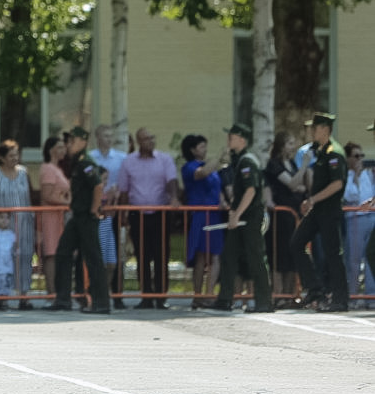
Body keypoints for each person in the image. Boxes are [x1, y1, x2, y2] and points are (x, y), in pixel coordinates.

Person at [116, 128, 180, 309]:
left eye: (152, 137)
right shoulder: (129, 161)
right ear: (139, 141)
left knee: (161, 254)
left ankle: (161, 296)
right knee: (142, 255)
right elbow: (124, 189)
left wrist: (174, 197)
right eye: (146, 139)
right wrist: (123, 214)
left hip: (160, 213)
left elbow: (171, 180)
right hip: (138, 214)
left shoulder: (164, 159)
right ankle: (146, 296)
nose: (150, 141)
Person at [291, 113, 348, 311]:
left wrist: (313, 199)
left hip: (329, 211)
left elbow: (337, 184)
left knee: (333, 254)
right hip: (318, 211)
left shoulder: (334, 152)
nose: (311, 132)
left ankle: (340, 299)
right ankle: (315, 289)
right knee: (297, 243)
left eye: (314, 128)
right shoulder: (321, 151)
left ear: (325, 129)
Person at [213, 124, 271, 313]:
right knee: (228, 256)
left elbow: (251, 190)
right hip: (239, 218)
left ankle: (264, 302)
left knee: (255, 259)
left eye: (232, 136)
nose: (229, 139)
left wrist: (236, 214)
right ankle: (224, 299)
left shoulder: (247, 161)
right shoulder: (239, 160)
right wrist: (234, 212)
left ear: (242, 140)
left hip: (249, 218)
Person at [0, 139, 36, 309]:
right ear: (2, 158)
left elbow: (32, 196)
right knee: (2, 261)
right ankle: (1, 297)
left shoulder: (24, 173)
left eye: (16, 155)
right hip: (3, 225)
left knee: (24, 257)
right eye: (11, 155)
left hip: (24, 224)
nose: (15, 158)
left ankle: (24, 295)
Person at [52, 144, 108, 313]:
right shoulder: (77, 163)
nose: (68, 146)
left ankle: (101, 303)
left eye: (71, 142)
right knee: (63, 252)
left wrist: (94, 209)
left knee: (93, 258)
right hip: (77, 216)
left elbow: (98, 184)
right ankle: (63, 299)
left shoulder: (86, 163)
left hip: (86, 216)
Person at [180, 134, 225, 307]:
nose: (205, 150)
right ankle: (197, 294)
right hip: (200, 214)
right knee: (200, 255)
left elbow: (217, 187)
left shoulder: (211, 167)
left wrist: (222, 201)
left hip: (214, 214)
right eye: (201, 147)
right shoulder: (189, 167)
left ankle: (209, 293)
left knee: (215, 255)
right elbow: (203, 173)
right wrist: (219, 157)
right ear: (192, 150)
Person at [89, 124, 128, 308]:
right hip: (96, 211)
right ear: (97, 137)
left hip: (114, 212)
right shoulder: (90, 158)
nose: (109, 139)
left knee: (116, 255)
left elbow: (124, 183)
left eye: (111, 135)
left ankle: (117, 294)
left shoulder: (121, 158)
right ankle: (96, 292)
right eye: (105, 135)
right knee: (97, 254)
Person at [265, 133, 304, 299]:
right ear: (281, 146)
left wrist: (299, 184)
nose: (293, 147)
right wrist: (305, 166)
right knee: (279, 256)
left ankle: (290, 294)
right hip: (280, 216)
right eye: (290, 143)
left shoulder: (292, 164)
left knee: (291, 255)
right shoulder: (274, 164)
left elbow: (301, 186)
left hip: (294, 213)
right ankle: (278, 294)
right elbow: (293, 184)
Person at [37, 136, 70, 297]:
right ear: (51, 150)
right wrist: (68, 203)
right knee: (51, 253)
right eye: (60, 147)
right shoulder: (48, 169)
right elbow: (47, 195)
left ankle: (58, 289)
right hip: (50, 215)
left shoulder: (57, 168)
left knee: (58, 253)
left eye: (64, 147)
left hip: (59, 215)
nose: (64, 150)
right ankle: (51, 291)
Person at [342, 142, 375, 297]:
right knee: (354, 259)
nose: (359, 159)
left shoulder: (368, 175)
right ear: (348, 158)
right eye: (356, 156)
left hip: (371, 217)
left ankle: (370, 295)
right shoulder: (346, 175)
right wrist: (355, 175)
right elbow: (351, 196)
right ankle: (354, 294)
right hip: (355, 219)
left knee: (371, 256)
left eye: (361, 156)